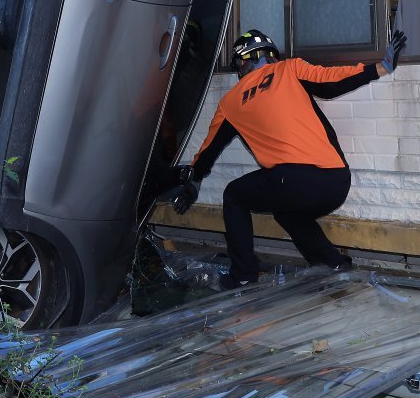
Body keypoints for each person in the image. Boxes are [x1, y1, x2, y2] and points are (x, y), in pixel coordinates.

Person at [168, 28, 407, 288]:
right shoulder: (290, 69)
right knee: (287, 212)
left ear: (244, 60)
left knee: (235, 195)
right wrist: (380, 68)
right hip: (336, 181)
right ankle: (333, 263)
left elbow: (207, 152)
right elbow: (331, 81)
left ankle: (243, 276)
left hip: (295, 182)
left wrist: (193, 183)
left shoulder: (231, 102)